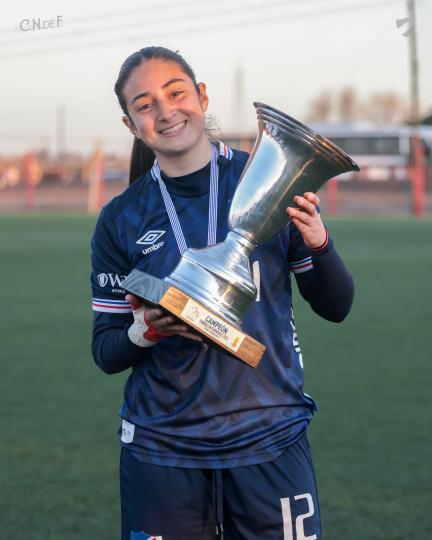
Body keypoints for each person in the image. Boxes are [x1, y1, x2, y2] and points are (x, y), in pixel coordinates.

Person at [90, 46, 354, 540]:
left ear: (202, 97)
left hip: (270, 437)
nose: (165, 112)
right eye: (145, 105)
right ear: (131, 125)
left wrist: (320, 243)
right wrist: (146, 330)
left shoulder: (270, 182)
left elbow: (336, 306)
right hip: (163, 449)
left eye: (176, 93)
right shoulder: (120, 218)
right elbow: (106, 350)